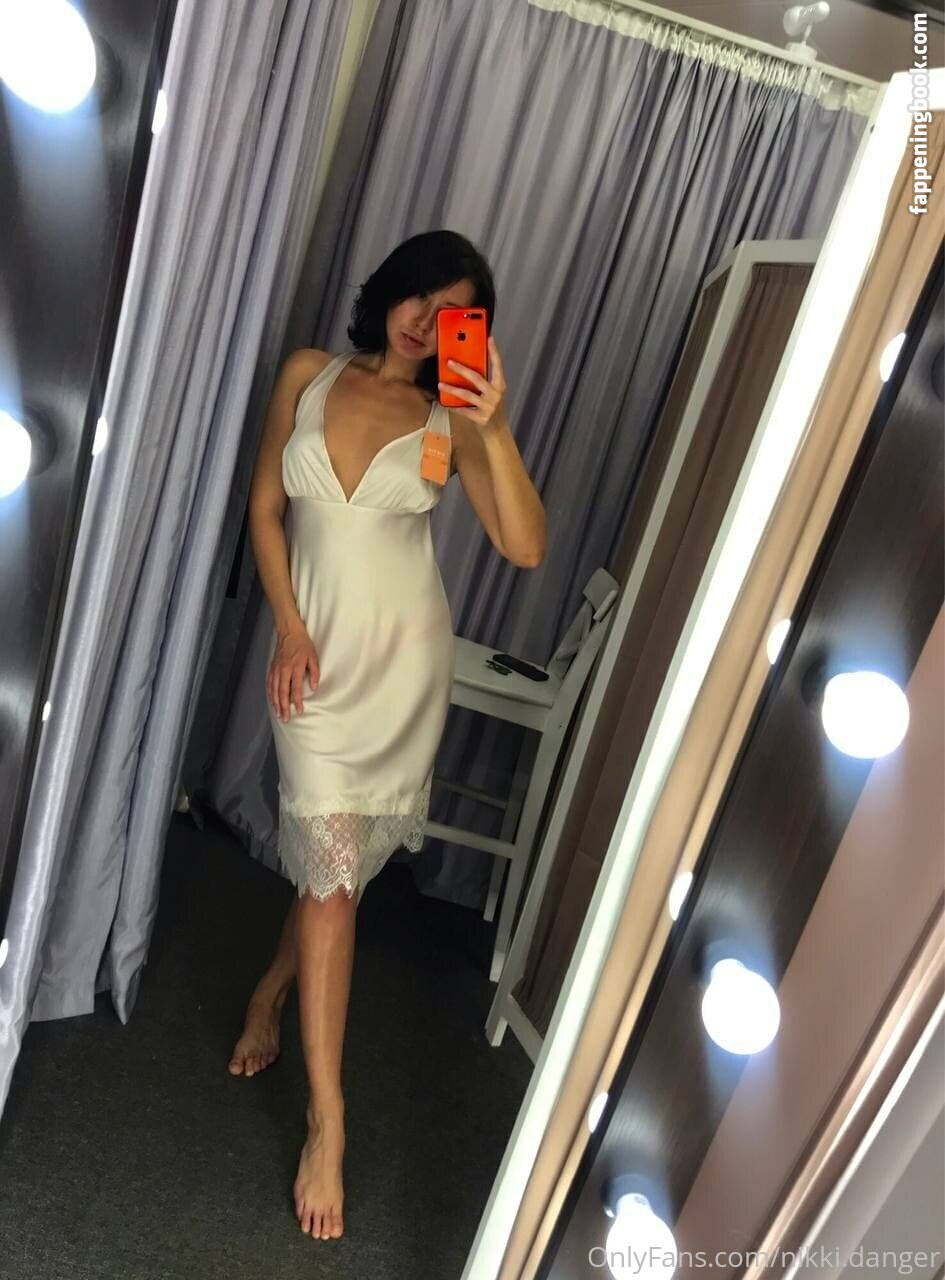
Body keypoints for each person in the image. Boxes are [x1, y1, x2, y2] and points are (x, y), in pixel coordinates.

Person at [227, 229, 547, 1242]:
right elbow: (266, 511)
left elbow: (525, 545)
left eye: (452, 312)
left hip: (403, 674)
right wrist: (288, 627)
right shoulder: (308, 375)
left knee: (338, 875)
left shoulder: (452, 420)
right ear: (391, 292)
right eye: (418, 295)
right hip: (315, 667)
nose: (424, 319)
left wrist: (495, 426)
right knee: (329, 872)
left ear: (468, 333)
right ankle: (330, 1120)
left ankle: (272, 994)